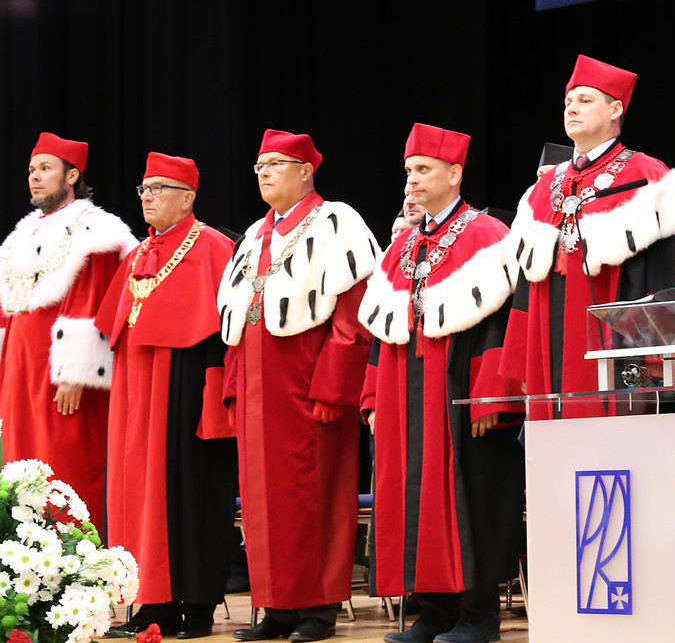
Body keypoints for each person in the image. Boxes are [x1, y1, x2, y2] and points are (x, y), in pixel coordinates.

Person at [361, 124, 523, 643]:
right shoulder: (402, 246)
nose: (411, 180)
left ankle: (479, 615)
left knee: (470, 498)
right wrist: (372, 397)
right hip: (406, 394)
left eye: (423, 170)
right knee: (413, 500)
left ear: (454, 174)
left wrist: (491, 395)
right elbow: (382, 328)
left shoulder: (487, 234)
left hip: (460, 394)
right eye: (408, 170)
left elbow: (503, 322)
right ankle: (434, 612)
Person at [219, 130, 380, 643]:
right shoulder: (254, 234)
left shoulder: (337, 221)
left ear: (306, 171)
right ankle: (277, 606)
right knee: (263, 502)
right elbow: (239, 320)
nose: (264, 173)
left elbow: (353, 316)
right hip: (258, 389)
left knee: (314, 495)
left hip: (307, 384)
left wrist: (333, 387)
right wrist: (233, 387)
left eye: (275, 164)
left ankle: (318, 606)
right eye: (259, 166)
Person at [98, 153, 237, 639]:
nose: (148, 198)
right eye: (144, 189)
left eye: (159, 188)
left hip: (186, 385)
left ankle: (196, 606)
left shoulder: (215, 246)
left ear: (188, 197)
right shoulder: (139, 253)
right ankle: (152, 603)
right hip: (136, 391)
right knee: (136, 492)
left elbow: (224, 333)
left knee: (190, 491)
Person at [500, 56, 675, 415]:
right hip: (549, 348)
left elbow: (665, 273)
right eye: (568, 102)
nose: (571, 109)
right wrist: (523, 362)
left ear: (615, 109)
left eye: (585, 100)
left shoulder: (646, 175)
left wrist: (659, 358)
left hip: (620, 352)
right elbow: (528, 282)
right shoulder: (544, 187)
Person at [0, 132, 135, 530]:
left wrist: (76, 373)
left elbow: (94, 300)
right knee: (19, 462)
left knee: (66, 461)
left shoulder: (95, 230)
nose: (35, 177)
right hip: (20, 369)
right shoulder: (22, 235)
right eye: (31, 170)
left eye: (45, 169)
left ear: (71, 176)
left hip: (61, 373)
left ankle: (78, 557)